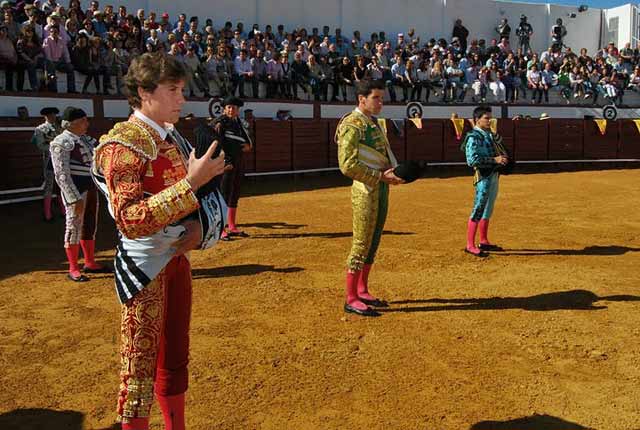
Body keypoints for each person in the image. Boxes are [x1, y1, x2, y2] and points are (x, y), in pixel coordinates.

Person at [92, 52, 225, 430]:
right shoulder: (122, 145)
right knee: (139, 364)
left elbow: (189, 206)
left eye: (182, 89)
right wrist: (191, 184)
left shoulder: (172, 140)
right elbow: (130, 219)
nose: (182, 99)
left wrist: (200, 228)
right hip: (143, 270)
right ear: (143, 92)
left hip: (176, 259)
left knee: (175, 357)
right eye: (173, 90)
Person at [335, 79, 404, 317]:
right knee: (361, 242)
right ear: (361, 99)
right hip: (365, 189)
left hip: (380, 187)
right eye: (376, 98)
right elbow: (346, 165)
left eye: (382, 98)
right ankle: (350, 297)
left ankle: (362, 289)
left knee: (373, 240)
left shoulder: (372, 124)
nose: (381, 102)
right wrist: (379, 177)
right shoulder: (352, 124)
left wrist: (391, 175)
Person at [50, 107, 109, 281]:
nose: (87, 123)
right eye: (84, 120)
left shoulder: (87, 140)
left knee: (90, 224)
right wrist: (73, 197)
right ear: (73, 123)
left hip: (91, 187)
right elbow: (61, 174)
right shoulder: (60, 142)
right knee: (73, 226)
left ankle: (90, 262)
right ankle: (73, 268)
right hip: (76, 189)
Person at [200, 96, 252, 240]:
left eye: (234, 108)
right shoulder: (219, 123)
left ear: (238, 110)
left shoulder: (239, 123)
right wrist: (224, 160)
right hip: (225, 163)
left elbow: (247, 141)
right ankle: (221, 228)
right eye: (229, 107)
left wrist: (249, 146)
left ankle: (232, 225)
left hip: (238, 162)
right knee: (223, 193)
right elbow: (215, 143)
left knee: (234, 192)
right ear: (224, 109)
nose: (231, 110)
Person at [463, 105, 508, 257]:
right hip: (482, 176)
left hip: (494, 174)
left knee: (488, 208)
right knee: (479, 207)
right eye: (487, 118)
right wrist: (494, 159)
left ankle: (483, 240)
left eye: (490, 117)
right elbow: (471, 160)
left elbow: (499, 148)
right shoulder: (472, 137)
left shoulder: (489, 135)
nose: (490, 121)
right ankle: (470, 244)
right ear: (477, 120)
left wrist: (502, 158)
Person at [32, 106, 63, 221]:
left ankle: (63, 210)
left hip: (62, 160)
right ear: (45, 116)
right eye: (50, 115)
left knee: (62, 185)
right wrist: (55, 147)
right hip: (49, 160)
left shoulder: (60, 128)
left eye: (54, 115)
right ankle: (47, 213)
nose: (53, 117)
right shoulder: (40, 129)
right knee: (49, 186)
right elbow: (40, 146)